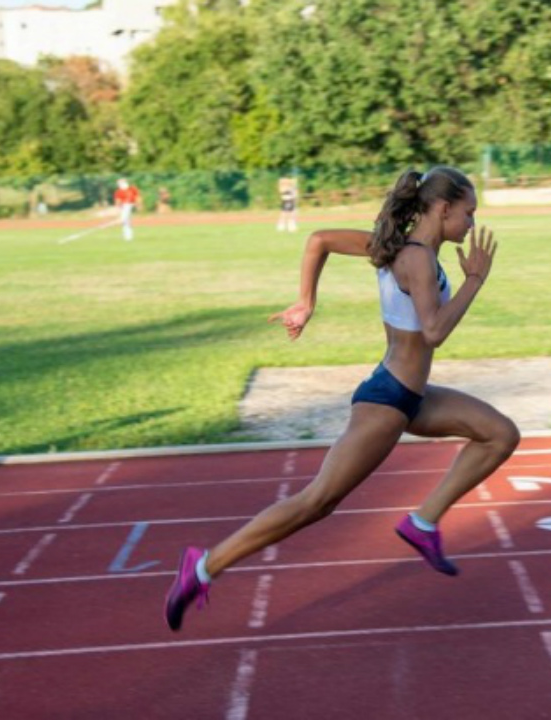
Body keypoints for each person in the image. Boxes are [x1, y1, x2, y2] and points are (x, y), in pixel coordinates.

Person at [164, 166, 516, 632]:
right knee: (317, 502)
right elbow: (433, 333)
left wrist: (305, 301)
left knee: (499, 434)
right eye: (469, 213)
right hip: (388, 399)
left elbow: (319, 240)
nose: (472, 223)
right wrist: (474, 282)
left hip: (410, 395)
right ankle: (204, 566)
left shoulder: (394, 247)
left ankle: (423, 523)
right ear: (443, 207)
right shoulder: (418, 260)